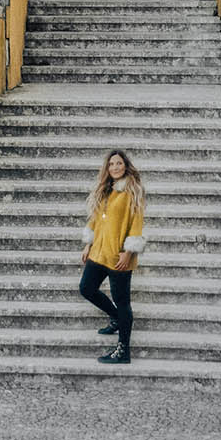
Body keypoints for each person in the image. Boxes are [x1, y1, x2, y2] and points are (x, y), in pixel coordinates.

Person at [79, 147, 146, 365]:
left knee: (123, 302)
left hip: (119, 256)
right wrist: (88, 244)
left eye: (119, 163)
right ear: (107, 168)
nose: (115, 167)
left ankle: (123, 350)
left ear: (125, 166)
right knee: (86, 288)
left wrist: (129, 251)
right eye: (111, 164)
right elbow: (95, 219)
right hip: (99, 252)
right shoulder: (105, 190)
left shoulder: (133, 191)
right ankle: (115, 317)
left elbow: (136, 223)